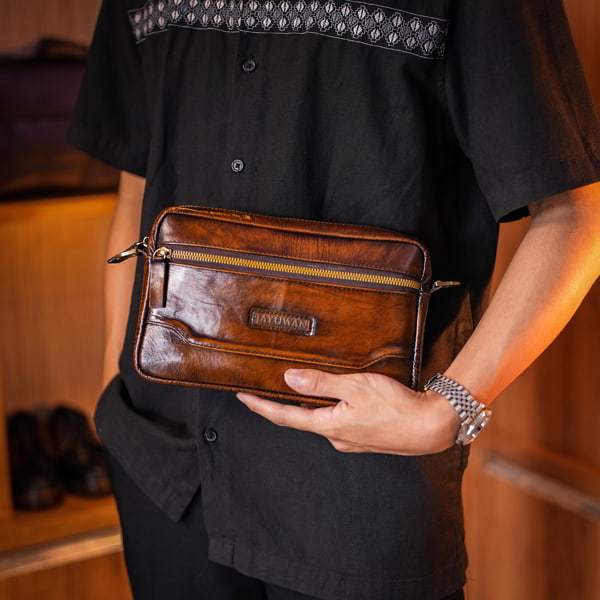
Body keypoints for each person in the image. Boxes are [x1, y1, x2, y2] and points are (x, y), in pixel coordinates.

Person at [66, 0, 600, 598]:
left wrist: (447, 410)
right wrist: (113, 382)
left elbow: (576, 216)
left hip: (356, 489)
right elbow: (138, 182)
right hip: (163, 466)